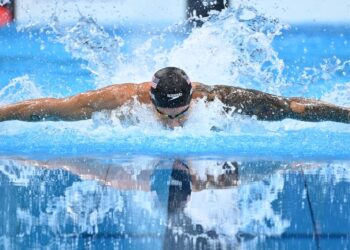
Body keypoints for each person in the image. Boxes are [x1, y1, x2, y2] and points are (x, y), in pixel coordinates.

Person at [0, 67, 349, 128]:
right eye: (166, 115)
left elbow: (294, 108)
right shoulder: (121, 99)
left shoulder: (220, 100)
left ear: (193, 95)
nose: (174, 123)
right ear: (148, 100)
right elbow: (47, 109)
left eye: (180, 114)